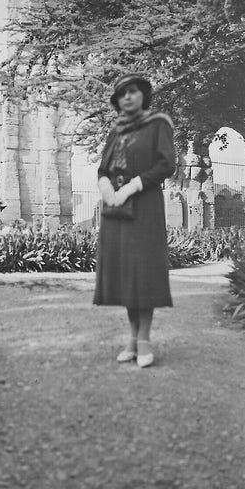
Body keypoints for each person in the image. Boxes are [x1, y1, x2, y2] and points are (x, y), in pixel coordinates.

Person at [93, 73, 176, 368]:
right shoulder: (115, 131)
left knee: (143, 272)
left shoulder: (158, 124)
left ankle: (144, 340)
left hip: (144, 206)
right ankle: (131, 338)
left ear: (143, 95)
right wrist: (107, 189)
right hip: (116, 210)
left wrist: (132, 186)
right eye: (122, 94)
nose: (127, 97)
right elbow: (103, 168)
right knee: (127, 274)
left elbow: (167, 164)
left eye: (133, 91)